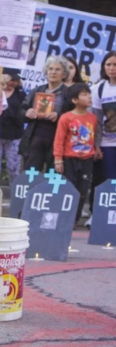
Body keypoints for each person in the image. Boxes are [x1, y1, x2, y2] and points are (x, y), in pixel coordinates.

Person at [54, 83, 100, 223]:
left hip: (87, 159)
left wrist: (96, 149)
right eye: (85, 95)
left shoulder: (92, 118)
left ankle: (75, 219)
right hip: (69, 159)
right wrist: (58, 159)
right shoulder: (66, 118)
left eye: (89, 94)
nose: (89, 97)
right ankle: (64, 218)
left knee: (83, 190)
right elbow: (59, 139)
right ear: (75, 100)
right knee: (68, 188)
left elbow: (94, 136)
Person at [19, 56, 70, 172]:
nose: (53, 72)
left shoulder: (69, 93)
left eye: (57, 69)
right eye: (50, 69)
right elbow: (21, 111)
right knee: (30, 174)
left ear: (64, 74)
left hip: (57, 140)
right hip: (35, 138)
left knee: (53, 176)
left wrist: (59, 116)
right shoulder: (36, 91)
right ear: (46, 72)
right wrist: (26, 112)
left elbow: (75, 116)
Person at [0, 73, 25, 184]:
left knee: (13, 167)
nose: (14, 82)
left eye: (16, 80)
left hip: (14, 135)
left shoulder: (21, 95)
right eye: (12, 79)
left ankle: (15, 193)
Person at [92, 51, 116, 183]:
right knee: (110, 183)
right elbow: (97, 121)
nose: (111, 68)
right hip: (107, 144)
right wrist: (96, 146)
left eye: (115, 64)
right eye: (108, 64)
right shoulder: (98, 89)